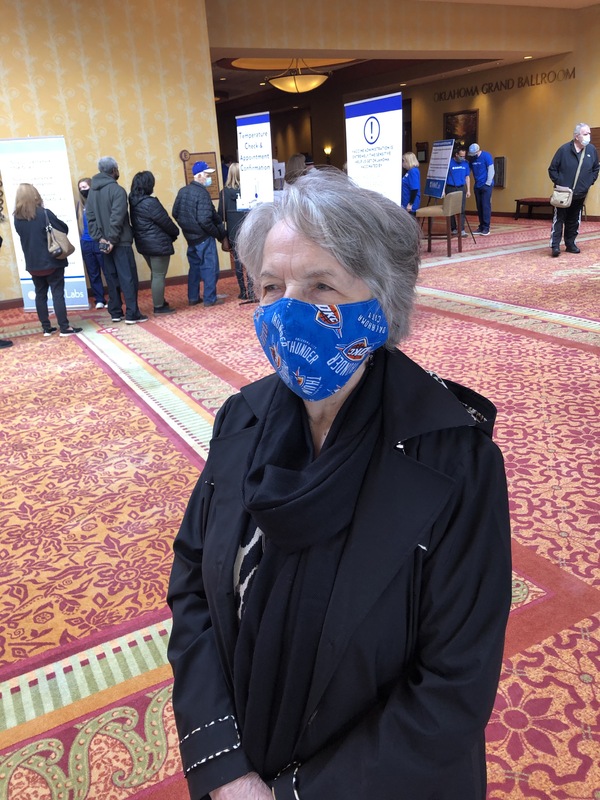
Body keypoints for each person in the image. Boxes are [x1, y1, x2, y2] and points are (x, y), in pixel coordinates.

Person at [167, 168, 512, 800]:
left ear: (381, 305)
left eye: (321, 284)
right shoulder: (240, 420)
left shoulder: (455, 459)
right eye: (272, 287)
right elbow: (193, 582)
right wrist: (225, 768)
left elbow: (453, 683)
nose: (287, 310)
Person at [13, 184, 82, 337]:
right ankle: (64, 327)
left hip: (32, 264)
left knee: (40, 294)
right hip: (52, 260)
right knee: (57, 293)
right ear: (35, 195)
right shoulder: (44, 213)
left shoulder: (17, 219)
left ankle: (46, 328)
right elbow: (63, 229)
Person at [86, 156, 148, 324]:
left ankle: (115, 312)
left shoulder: (92, 191)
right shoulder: (117, 190)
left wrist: (101, 239)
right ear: (114, 170)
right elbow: (117, 218)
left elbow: (90, 217)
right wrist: (112, 239)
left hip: (104, 243)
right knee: (128, 278)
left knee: (111, 278)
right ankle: (132, 314)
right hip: (120, 242)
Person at [172, 161, 227, 307]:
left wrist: (187, 227)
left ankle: (193, 297)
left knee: (194, 268)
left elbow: (175, 213)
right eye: (208, 175)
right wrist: (217, 234)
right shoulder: (202, 193)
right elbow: (205, 220)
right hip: (203, 237)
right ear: (200, 175)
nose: (209, 178)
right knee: (210, 267)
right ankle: (210, 298)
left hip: (190, 238)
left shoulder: (183, 191)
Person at [129, 171, 179, 314]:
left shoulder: (133, 201)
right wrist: (175, 232)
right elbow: (165, 222)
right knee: (158, 275)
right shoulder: (150, 202)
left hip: (144, 243)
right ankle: (159, 306)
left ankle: (160, 301)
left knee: (155, 273)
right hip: (157, 244)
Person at [548, 122, 599, 257]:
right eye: (585, 134)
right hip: (563, 193)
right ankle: (555, 246)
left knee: (574, 219)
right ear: (577, 136)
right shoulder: (563, 150)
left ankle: (570, 244)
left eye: (589, 133)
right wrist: (560, 182)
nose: (588, 136)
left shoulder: (591, 150)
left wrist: (589, 182)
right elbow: (552, 169)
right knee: (559, 219)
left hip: (580, 193)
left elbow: (595, 168)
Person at [218, 162, 256, 301]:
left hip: (233, 231)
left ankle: (243, 291)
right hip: (248, 230)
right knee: (250, 262)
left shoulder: (224, 194)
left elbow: (221, 215)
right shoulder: (250, 190)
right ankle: (252, 291)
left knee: (238, 262)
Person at [76, 178, 106, 308]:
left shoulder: (99, 202)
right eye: (80, 188)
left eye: (85, 187)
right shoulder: (80, 206)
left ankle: (115, 298)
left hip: (99, 241)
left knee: (107, 271)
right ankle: (99, 299)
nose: (83, 190)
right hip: (86, 243)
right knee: (93, 273)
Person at [468, 143, 494, 235]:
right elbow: (468, 170)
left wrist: (488, 183)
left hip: (486, 185)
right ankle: (481, 226)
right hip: (477, 186)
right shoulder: (472, 159)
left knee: (485, 206)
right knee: (479, 207)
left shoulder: (486, 156)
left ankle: (486, 228)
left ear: (477, 151)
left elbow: (491, 170)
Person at [445, 145, 471, 236]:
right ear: (456, 154)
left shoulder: (466, 164)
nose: (463, 158)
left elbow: (467, 177)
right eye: (461, 156)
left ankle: (462, 229)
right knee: (451, 209)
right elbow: (444, 177)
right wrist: (443, 191)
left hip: (461, 187)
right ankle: (453, 228)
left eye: (464, 156)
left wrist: (468, 190)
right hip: (450, 187)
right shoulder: (449, 163)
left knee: (462, 209)